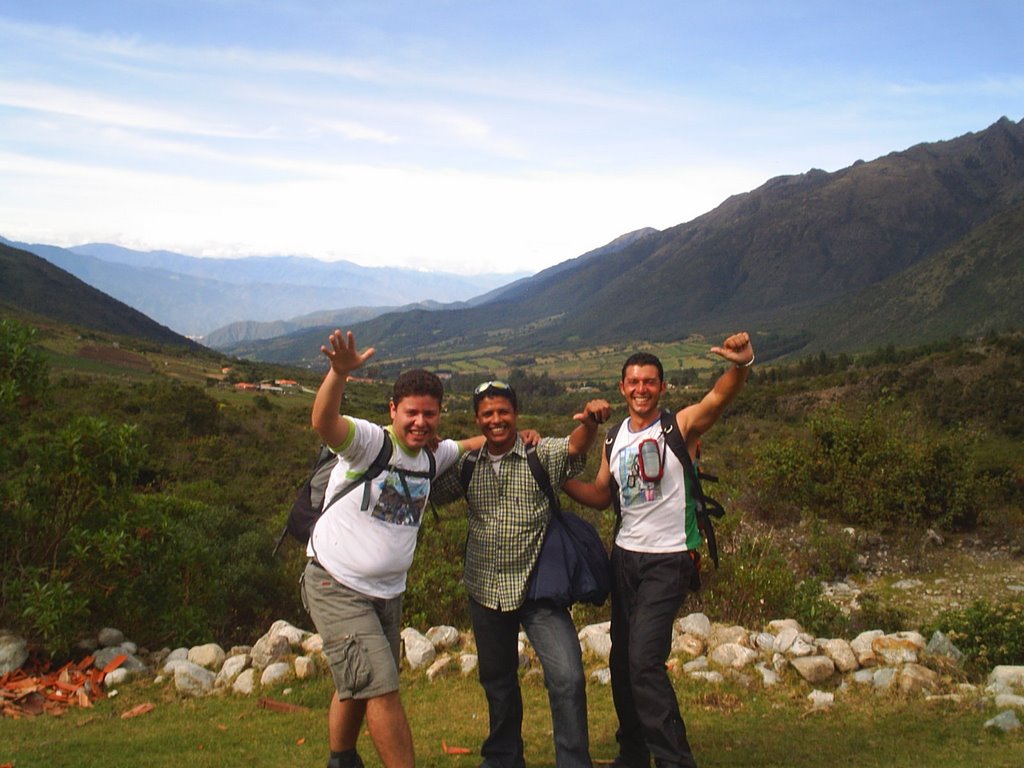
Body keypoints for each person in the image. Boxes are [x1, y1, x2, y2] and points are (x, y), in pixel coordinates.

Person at [563, 333, 755, 768]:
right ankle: (632, 752)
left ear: (662, 387)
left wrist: (741, 366)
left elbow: (717, 400)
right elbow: (598, 495)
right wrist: (553, 479)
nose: (641, 388)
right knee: (623, 661)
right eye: (633, 382)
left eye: (650, 381)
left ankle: (674, 760)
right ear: (622, 387)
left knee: (645, 661)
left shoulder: (678, 426)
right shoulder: (613, 440)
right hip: (625, 557)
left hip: (670, 558)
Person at [303, 329, 483, 768]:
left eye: (430, 414)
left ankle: (341, 759)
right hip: (336, 581)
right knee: (380, 685)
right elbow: (324, 423)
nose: (421, 422)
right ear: (392, 411)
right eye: (411, 414)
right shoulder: (370, 443)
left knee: (361, 680)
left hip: (387, 591)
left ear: (440, 415)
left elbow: (467, 446)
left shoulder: (430, 457)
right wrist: (338, 373)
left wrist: (516, 434)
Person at [429, 380, 612, 768]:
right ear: (477, 418)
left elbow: (576, 446)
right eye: (487, 414)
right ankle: (504, 758)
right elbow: (427, 485)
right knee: (498, 683)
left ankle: (573, 762)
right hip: (484, 589)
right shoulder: (466, 465)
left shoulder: (538, 454)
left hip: (536, 589)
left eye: (503, 412)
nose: (496, 420)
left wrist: (591, 423)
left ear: (516, 413)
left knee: (568, 678)